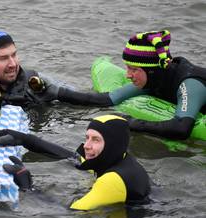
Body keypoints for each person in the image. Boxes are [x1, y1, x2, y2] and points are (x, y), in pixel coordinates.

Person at [53, 30, 206, 140]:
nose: (127, 75)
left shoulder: (189, 84)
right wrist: (56, 93)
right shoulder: (153, 77)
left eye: (134, 69)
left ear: (152, 70)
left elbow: (181, 129)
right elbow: (107, 99)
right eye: (127, 68)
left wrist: (130, 123)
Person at [0, 115, 151, 210]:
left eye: (96, 139)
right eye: (87, 137)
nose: (86, 145)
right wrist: (25, 139)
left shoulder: (112, 180)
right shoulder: (117, 157)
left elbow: (70, 213)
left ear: (112, 144)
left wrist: (27, 187)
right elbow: (72, 157)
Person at [0, 30, 69, 109]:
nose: (12, 64)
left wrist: (55, 95)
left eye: (14, 55)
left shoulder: (35, 80)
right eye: (3, 58)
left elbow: (81, 99)